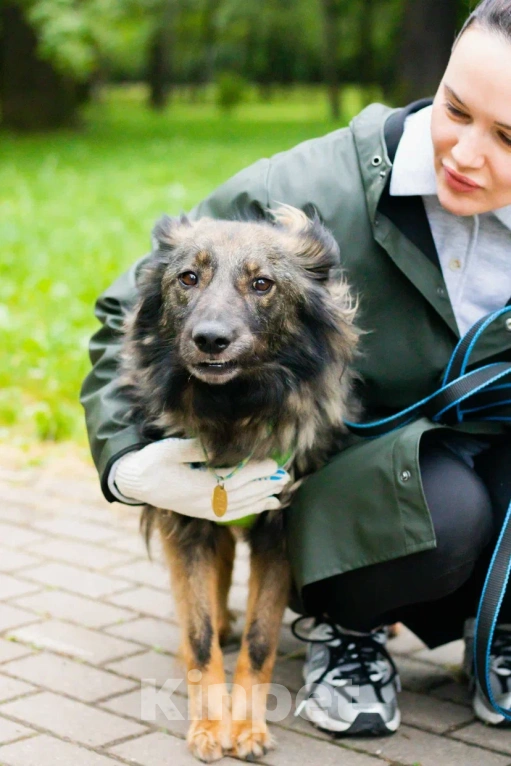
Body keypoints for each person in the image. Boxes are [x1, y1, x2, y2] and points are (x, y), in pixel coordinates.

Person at [81, 0, 511, 738]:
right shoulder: (308, 188)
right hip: (363, 477)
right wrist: (127, 464)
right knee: (444, 508)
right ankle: (349, 627)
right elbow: (131, 312)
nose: (466, 153)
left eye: (508, 136)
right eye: (454, 109)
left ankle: (498, 626)